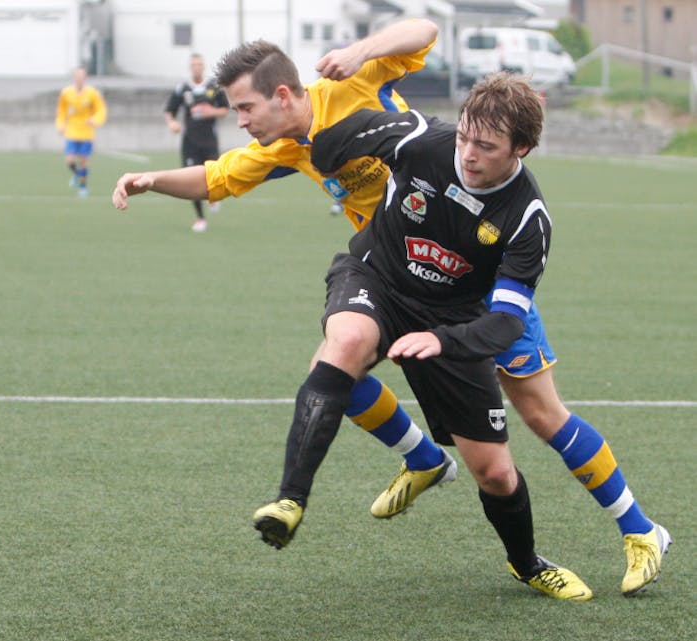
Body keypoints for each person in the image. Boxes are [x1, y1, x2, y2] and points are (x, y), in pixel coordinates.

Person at [112, 20, 669, 598]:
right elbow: (218, 176)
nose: (241, 121)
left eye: (245, 107)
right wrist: (152, 179)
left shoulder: (366, 90)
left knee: (540, 418)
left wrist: (359, 50)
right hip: (393, 273)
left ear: (281, 95)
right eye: (467, 141)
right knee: (338, 359)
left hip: (470, 293)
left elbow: (422, 29)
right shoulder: (286, 147)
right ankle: (418, 459)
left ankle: (640, 529)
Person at [165, 53, 230, 232]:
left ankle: (214, 197)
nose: (196, 67)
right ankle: (200, 218)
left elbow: (225, 109)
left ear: (203, 66)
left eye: (199, 64)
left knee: (214, 175)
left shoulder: (213, 87)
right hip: (190, 142)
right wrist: (172, 123)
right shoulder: (183, 89)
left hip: (209, 140)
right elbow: (170, 111)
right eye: (193, 64)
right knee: (190, 180)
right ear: (190, 67)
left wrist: (212, 112)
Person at [56, 66, 107, 198]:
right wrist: (61, 125)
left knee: (83, 161)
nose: (79, 79)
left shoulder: (92, 93)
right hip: (72, 131)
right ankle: (78, 175)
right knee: (70, 160)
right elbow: (61, 111)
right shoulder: (66, 93)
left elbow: (101, 110)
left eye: (82, 77)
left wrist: (95, 120)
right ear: (74, 78)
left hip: (86, 132)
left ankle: (83, 187)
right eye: (77, 76)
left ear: (85, 78)